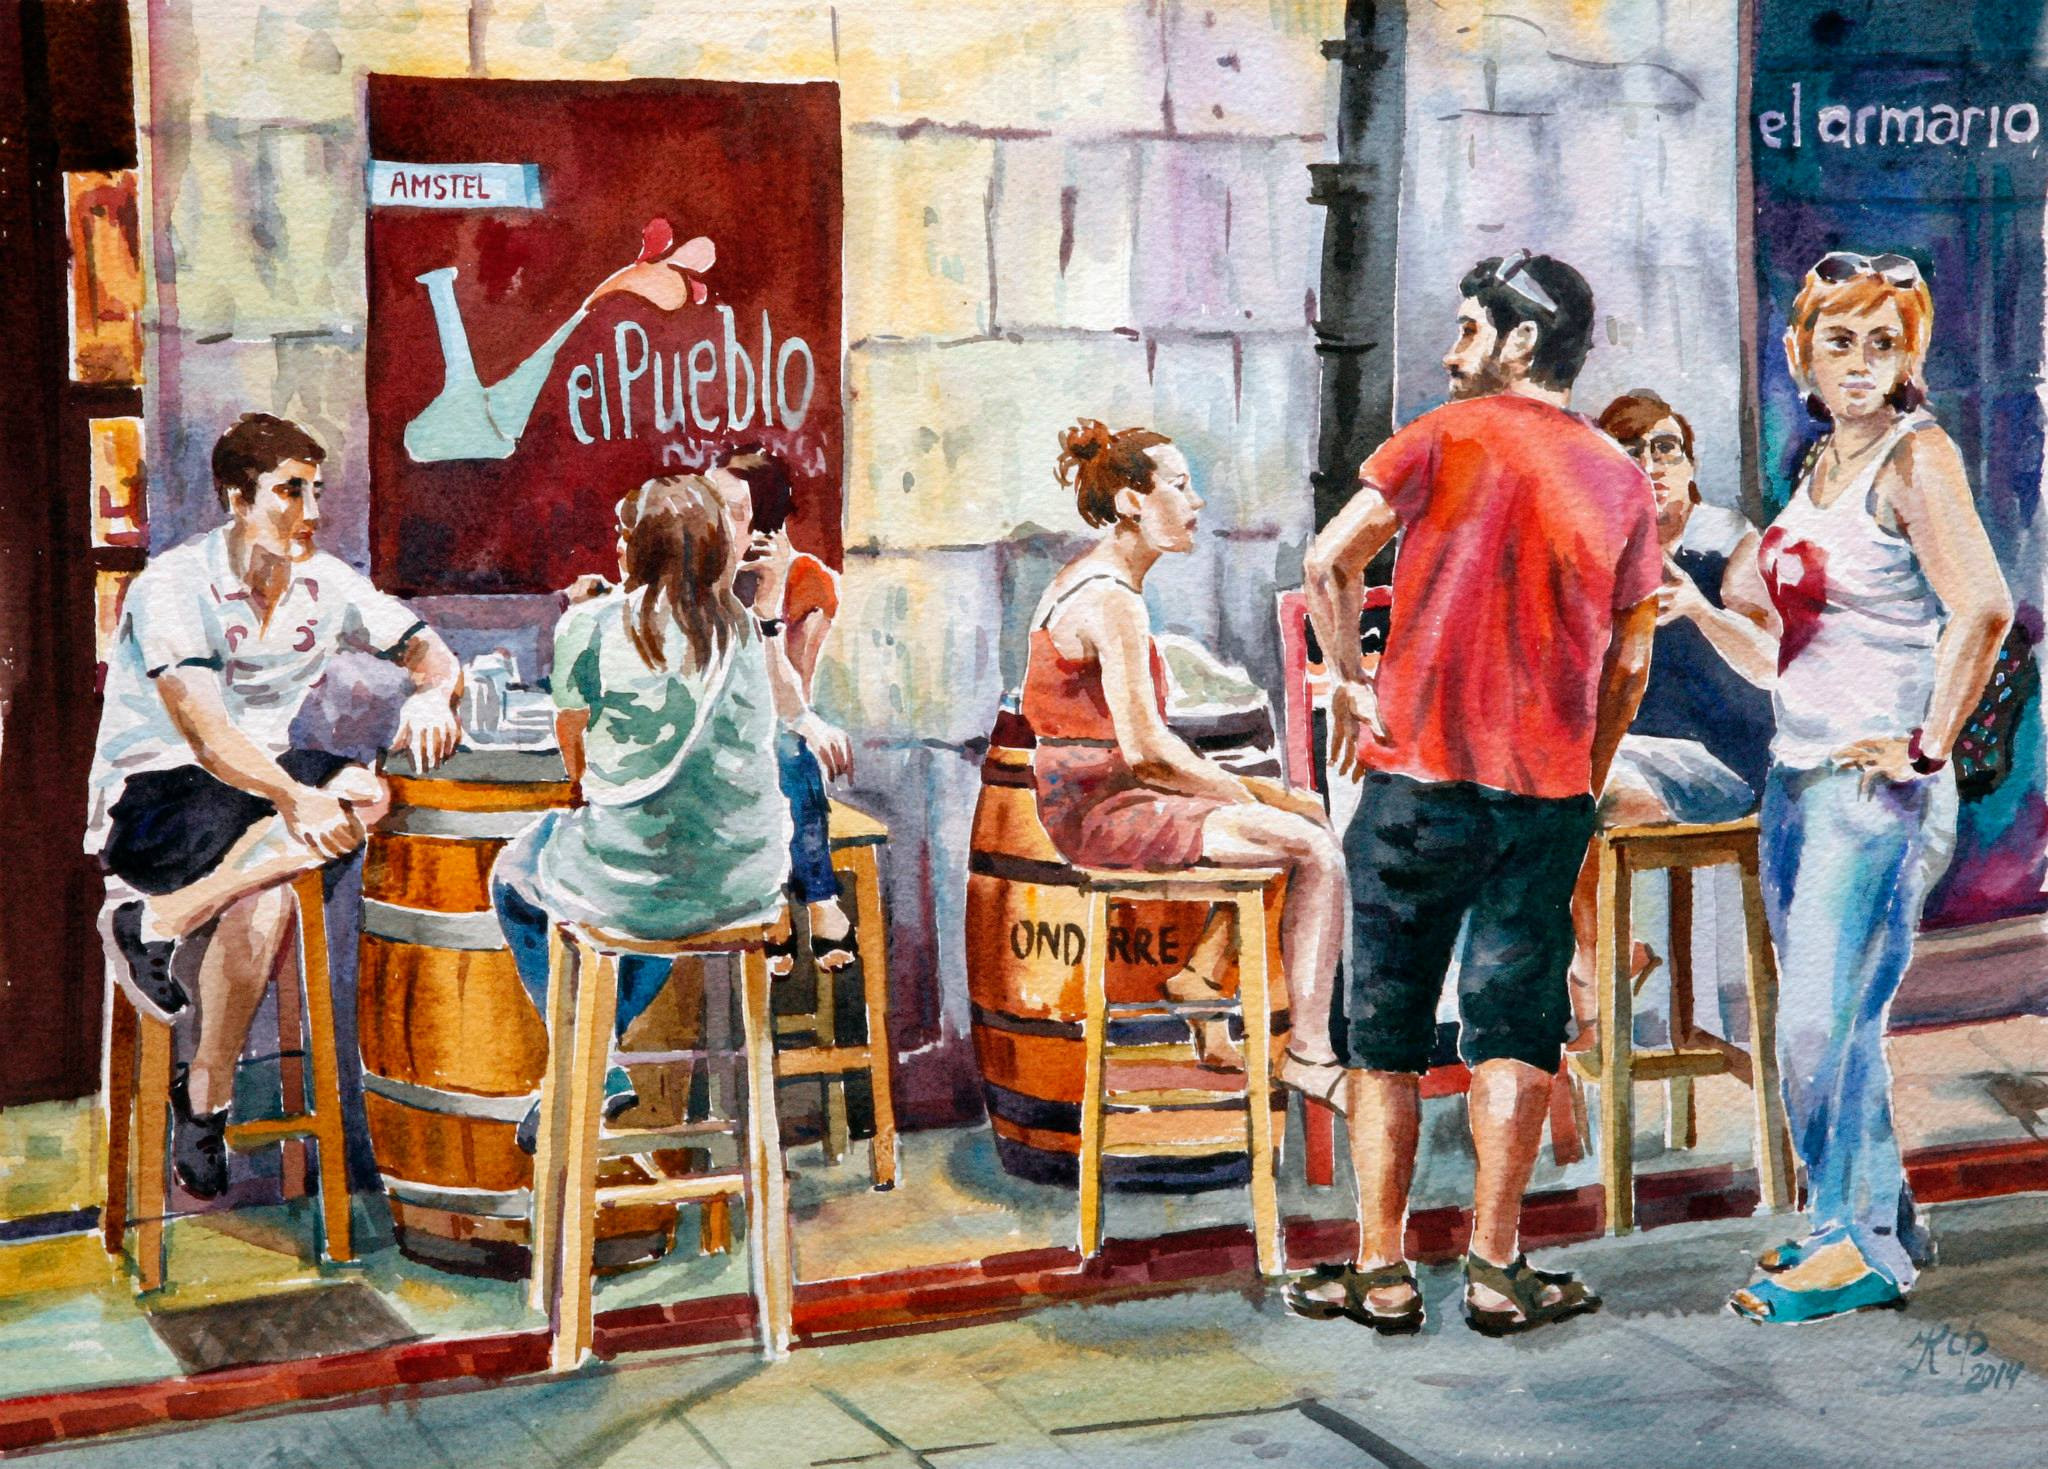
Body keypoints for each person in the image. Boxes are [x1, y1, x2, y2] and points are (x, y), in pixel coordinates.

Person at [1300, 251, 1659, 1335]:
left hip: (1413, 779)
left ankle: (1381, 1267)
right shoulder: (1619, 477)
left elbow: (1327, 562)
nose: (1452, 351)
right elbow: (1631, 663)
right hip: (1540, 795)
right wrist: (1582, 771)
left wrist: (1353, 689)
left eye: (1467, 330)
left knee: (1385, 1029)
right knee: (1514, 1026)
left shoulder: (1440, 438)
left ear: (1516, 342)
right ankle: (1497, 1265)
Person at [1704, 252, 2012, 1323]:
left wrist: (1925, 747)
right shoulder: (1818, 467)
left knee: (1813, 1026)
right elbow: (1787, 648)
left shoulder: (1912, 457)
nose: (1858, 363)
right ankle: (1873, 1215)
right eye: (1838, 341)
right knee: (1832, 1022)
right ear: (1797, 353)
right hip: (1798, 776)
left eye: (1882, 343)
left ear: (1909, 357)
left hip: (1869, 793)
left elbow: (1979, 607)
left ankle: (1858, 1246)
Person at [89, 413, 462, 1198]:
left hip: (259, 794)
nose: (312, 511)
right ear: (237, 498)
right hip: (156, 792)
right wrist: (293, 796)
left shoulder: (325, 585)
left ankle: (162, 932)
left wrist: (433, 695)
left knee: (365, 792)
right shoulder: (174, 585)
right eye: (290, 492)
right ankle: (205, 1099)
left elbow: (429, 651)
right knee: (274, 875)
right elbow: (207, 731)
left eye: (315, 491)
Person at [493, 472, 849, 1151]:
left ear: (635, 548)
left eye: (624, 536)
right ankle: (599, 1064)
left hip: (639, 887)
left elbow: (576, 752)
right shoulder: (745, 630)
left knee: (517, 874)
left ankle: (587, 1069)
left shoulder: (588, 624)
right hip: (742, 887)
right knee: (652, 881)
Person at [1021, 421, 1348, 1092]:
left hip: (1103, 794)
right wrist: (1259, 795)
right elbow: (1147, 753)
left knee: (1288, 822)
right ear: (1130, 503)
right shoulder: (1110, 599)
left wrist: (1253, 798)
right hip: (1102, 809)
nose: (1196, 502)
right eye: (1179, 485)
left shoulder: (1095, 581)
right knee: (1315, 846)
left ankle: (1199, 974)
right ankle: (1311, 1055)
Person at [1563, 390, 1778, 1055]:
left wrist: (1700, 611)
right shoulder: (1601, 549)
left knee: (1583, 788)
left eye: (1665, 448)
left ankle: (1596, 966)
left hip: (1722, 761)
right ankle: (1606, 954)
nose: (1651, 465)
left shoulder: (1727, 541)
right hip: (1632, 758)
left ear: (1688, 463)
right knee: (1553, 784)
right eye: (1630, 452)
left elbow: (1775, 662)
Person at [718, 445, 858, 975]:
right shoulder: (702, 577)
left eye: (730, 510)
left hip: (783, 745)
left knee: (782, 740)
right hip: (722, 750)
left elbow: (789, 700)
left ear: (765, 525)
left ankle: (796, 897)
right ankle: (808, 901)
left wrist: (769, 606)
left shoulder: (811, 584)